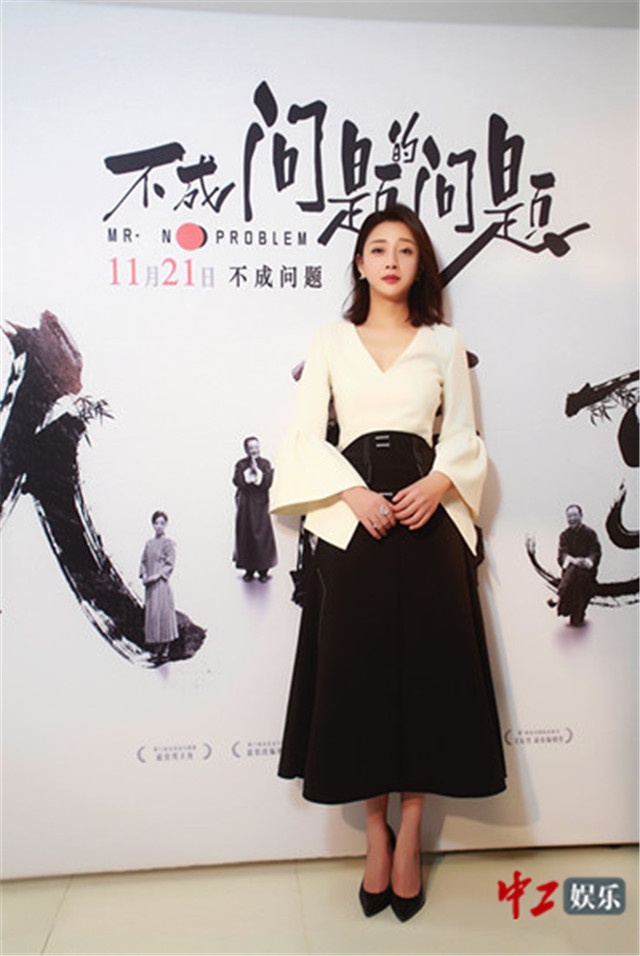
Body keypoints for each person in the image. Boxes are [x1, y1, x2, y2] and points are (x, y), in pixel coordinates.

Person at [270, 204, 506, 922]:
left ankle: (412, 841)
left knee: (429, 676)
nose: (392, 260)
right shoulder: (330, 339)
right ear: (361, 263)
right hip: (354, 521)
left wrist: (438, 484)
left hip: (428, 516)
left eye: (405, 249)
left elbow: (462, 436)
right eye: (379, 248)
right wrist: (353, 495)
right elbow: (305, 437)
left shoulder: (443, 342)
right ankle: (377, 835)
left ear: (419, 263)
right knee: (361, 677)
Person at [233, 437, 277, 582]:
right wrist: (247, 476)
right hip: (246, 506)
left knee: (263, 537)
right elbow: (237, 480)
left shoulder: (265, 464)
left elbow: (268, 482)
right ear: (246, 449)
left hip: (261, 506)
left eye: (256, 447)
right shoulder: (241, 464)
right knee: (246, 537)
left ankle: (264, 571)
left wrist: (258, 473)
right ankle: (249, 570)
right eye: (251, 448)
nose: (254, 450)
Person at [139, 510, 179, 664]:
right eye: (156, 523)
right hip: (150, 586)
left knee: (163, 614)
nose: (159, 526)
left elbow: (170, 563)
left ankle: (166, 650)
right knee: (153, 615)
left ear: (166, 524)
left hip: (161, 584)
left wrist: (157, 575)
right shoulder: (149, 543)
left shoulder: (168, 543)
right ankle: (156, 650)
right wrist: (144, 575)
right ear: (153, 525)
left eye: (162, 523)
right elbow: (143, 561)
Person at [557, 504, 601, 626]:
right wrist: (571, 560)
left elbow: (595, 552)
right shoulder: (564, 535)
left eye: (575, 515)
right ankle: (569, 607)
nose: (572, 519)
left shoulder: (590, 533)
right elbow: (562, 554)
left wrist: (587, 561)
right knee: (573, 569)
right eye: (569, 516)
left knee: (578, 574)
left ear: (581, 516)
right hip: (570, 574)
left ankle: (559, 595)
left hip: (585, 574)